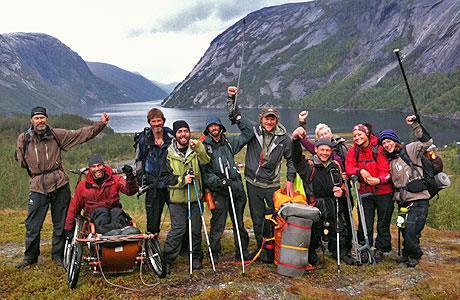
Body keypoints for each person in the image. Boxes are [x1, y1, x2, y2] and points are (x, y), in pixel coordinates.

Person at [15, 106, 109, 268]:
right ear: (32, 120)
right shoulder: (24, 139)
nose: (40, 121)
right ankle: (30, 256)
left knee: (61, 221)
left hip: (59, 183)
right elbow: (21, 161)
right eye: (37, 118)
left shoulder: (56, 135)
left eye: (42, 117)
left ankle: (58, 254)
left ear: (46, 119)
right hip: (37, 186)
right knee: (32, 224)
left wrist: (100, 124)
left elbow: (80, 135)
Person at [202, 86, 253, 262]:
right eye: (211, 126)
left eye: (216, 125)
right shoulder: (204, 148)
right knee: (218, 224)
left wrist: (237, 116)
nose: (214, 128)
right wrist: (221, 183)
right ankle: (214, 252)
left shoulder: (230, 142)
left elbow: (248, 133)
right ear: (208, 129)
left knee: (239, 222)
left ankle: (242, 250)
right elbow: (206, 173)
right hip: (220, 191)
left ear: (221, 127)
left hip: (236, 188)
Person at [292, 127, 353, 265]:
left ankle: (339, 251)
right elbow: (296, 158)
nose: (325, 153)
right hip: (315, 205)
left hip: (332, 204)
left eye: (328, 150)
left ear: (331, 151)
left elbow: (342, 185)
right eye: (322, 150)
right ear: (316, 150)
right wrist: (295, 141)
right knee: (314, 232)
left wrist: (342, 192)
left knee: (339, 229)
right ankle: (312, 252)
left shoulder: (335, 165)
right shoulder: (309, 166)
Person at [378, 115, 433, 267]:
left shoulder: (410, 149)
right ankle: (407, 253)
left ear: (395, 141)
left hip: (418, 199)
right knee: (403, 228)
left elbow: (427, 142)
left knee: (411, 228)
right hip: (402, 201)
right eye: (384, 143)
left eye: (388, 141)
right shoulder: (390, 161)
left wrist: (415, 125)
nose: (387, 145)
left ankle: (415, 254)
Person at [244, 106, 296, 255]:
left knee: (276, 217)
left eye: (272, 118)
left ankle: (275, 246)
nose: (269, 121)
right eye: (267, 118)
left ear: (276, 120)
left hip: (272, 184)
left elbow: (291, 159)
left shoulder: (285, 138)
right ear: (261, 119)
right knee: (257, 218)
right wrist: (231, 99)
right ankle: (261, 248)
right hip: (252, 183)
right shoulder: (253, 131)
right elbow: (236, 117)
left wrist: (290, 179)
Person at [159, 120, 210, 272]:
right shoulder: (168, 154)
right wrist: (182, 180)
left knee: (195, 229)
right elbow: (165, 178)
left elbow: (206, 161)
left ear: (189, 133)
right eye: (180, 132)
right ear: (175, 135)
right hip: (177, 200)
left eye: (185, 131)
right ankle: (167, 259)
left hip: (195, 197)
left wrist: (199, 148)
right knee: (178, 229)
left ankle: (195, 257)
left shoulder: (196, 149)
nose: (183, 134)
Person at [345, 123, 393, 263]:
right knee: (365, 221)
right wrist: (359, 171)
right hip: (365, 192)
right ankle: (365, 247)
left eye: (360, 134)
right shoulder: (354, 151)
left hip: (384, 192)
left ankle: (381, 249)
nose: (357, 138)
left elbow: (386, 171)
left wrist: (378, 180)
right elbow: (349, 167)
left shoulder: (378, 148)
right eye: (354, 136)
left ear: (367, 134)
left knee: (383, 222)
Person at [63, 154, 139, 236]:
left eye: (99, 165)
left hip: (114, 214)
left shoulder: (115, 179)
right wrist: (68, 227)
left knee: (116, 211)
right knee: (101, 212)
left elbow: (130, 191)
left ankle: (117, 233)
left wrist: (130, 178)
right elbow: (74, 208)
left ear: (103, 166)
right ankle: (112, 233)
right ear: (89, 169)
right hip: (95, 217)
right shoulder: (83, 186)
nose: (97, 169)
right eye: (93, 167)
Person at [135, 108, 174, 235]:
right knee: (152, 220)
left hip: (170, 184)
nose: (157, 124)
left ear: (164, 121)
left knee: (178, 216)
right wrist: (142, 181)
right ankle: (153, 247)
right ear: (149, 123)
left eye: (159, 120)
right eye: (154, 121)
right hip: (153, 185)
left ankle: (183, 246)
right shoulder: (144, 141)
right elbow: (139, 161)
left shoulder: (171, 138)